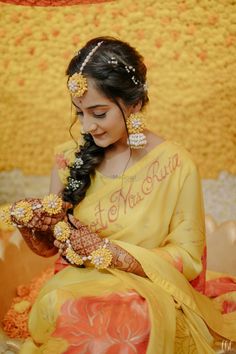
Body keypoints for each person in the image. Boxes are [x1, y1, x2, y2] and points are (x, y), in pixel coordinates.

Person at [4, 36, 236, 353]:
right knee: (64, 309)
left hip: (150, 291)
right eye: (79, 113)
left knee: (130, 320)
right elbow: (55, 251)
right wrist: (35, 224)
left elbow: (189, 257)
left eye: (99, 114)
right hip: (75, 289)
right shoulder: (67, 157)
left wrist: (113, 253)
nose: (87, 127)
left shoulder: (176, 164)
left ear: (135, 104)